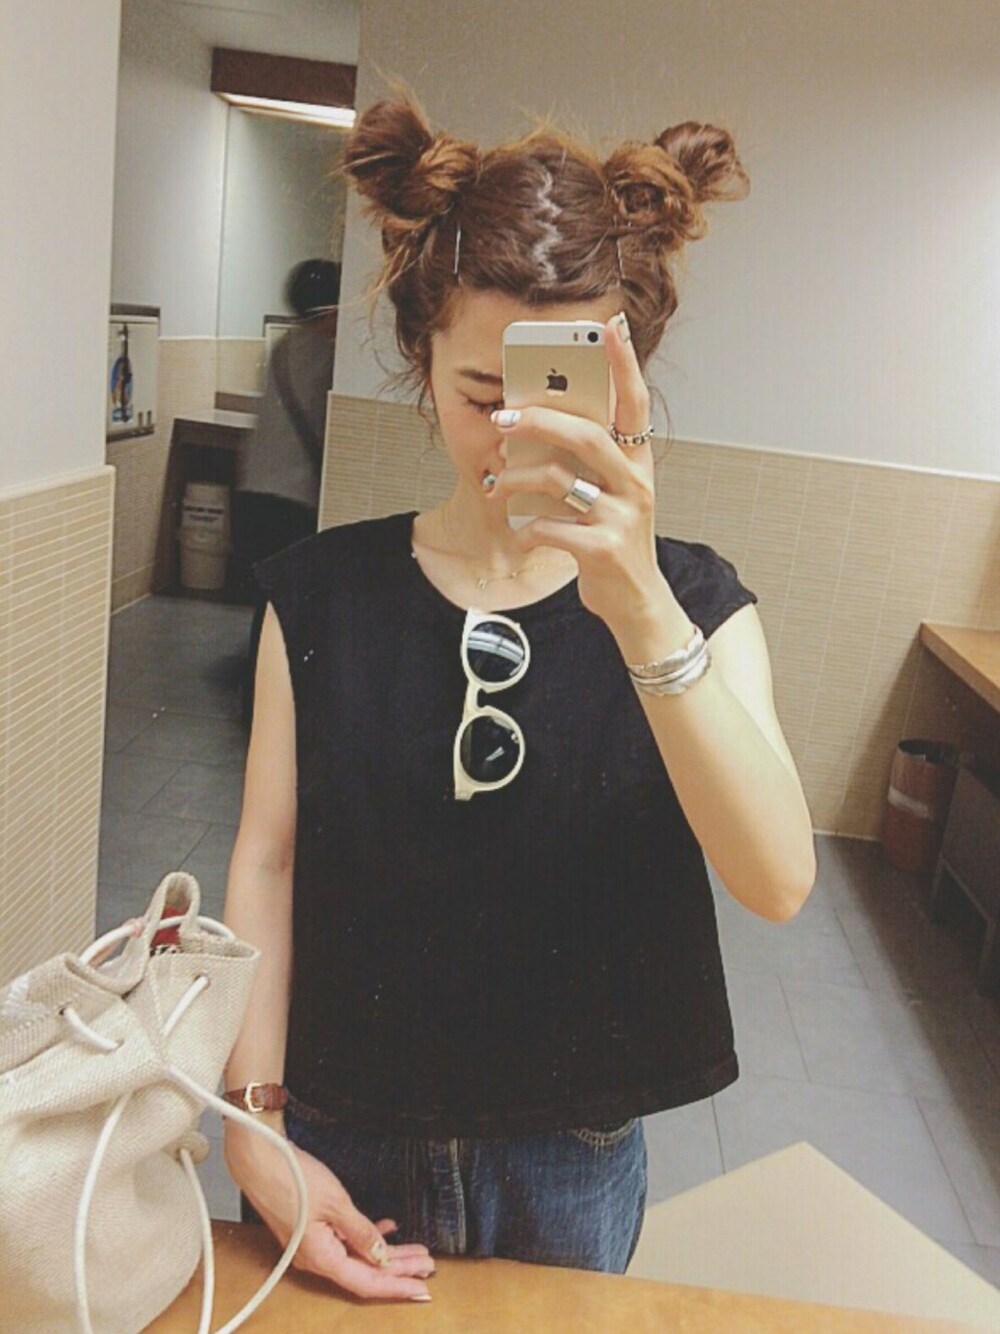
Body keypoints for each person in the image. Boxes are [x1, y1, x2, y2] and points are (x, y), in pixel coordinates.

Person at [220, 84, 816, 1306]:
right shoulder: (321, 594)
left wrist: (636, 602)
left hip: (570, 1150)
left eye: (558, 396)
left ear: (627, 380)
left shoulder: (695, 602)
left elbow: (776, 880)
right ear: (421, 360)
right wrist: (250, 1123)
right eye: (482, 394)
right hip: (332, 1127)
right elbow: (266, 859)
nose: (513, 436)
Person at [231, 258, 341, 725]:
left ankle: (256, 701)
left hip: (254, 492)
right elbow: (324, 428)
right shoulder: (329, 358)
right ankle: (266, 709)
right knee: (286, 608)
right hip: (292, 500)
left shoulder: (282, 348)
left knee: (268, 604)